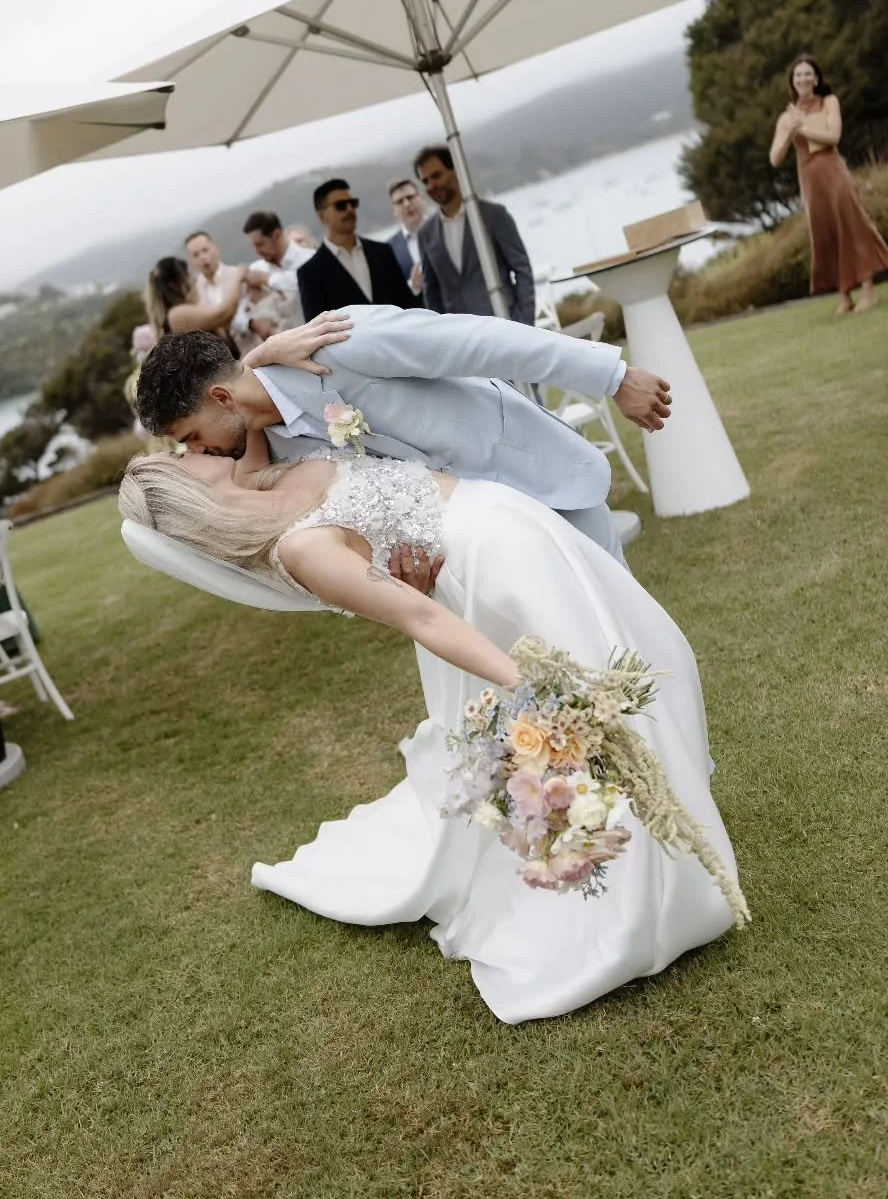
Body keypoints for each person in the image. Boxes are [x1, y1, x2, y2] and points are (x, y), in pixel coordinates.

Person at [117, 416, 739, 1024]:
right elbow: (420, 619)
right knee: (594, 717)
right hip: (498, 578)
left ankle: (676, 834)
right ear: (186, 492)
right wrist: (522, 683)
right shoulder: (299, 547)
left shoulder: (263, 476)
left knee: (655, 653)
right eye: (177, 458)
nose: (186, 448)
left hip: (518, 530)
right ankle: (637, 900)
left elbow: (237, 401)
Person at [135, 308, 671, 568]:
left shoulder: (336, 344)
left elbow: (481, 342)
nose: (198, 453)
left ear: (222, 401)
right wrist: (255, 357)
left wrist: (612, 377)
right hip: (482, 555)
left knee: (630, 647)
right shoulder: (270, 458)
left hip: (539, 483)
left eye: (190, 436)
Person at [769, 54, 888, 315]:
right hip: (810, 181)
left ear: (816, 78)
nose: (803, 78)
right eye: (798, 75)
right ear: (792, 81)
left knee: (852, 225)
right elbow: (775, 158)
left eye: (807, 73)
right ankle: (844, 296)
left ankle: (868, 291)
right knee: (824, 233)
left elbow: (833, 136)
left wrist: (803, 128)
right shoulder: (786, 117)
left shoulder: (828, 102)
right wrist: (791, 132)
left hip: (834, 172)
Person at [414, 146, 536, 325]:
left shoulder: (494, 216)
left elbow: (522, 270)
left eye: (436, 176)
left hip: (505, 324)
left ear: (455, 170)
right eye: (425, 181)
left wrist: (524, 323)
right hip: (460, 337)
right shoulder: (425, 234)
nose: (431, 185)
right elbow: (432, 292)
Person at [296, 180, 421, 320]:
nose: (350, 209)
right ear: (322, 215)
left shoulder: (383, 252)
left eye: (353, 203)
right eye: (341, 205)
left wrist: (417, 289)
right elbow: (318, 332)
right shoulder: (310, 273)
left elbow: (407, 306)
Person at [237, 210, 312, 347]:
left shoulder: (309, 259)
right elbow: (236, 314)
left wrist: (267, 279)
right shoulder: (257, 270)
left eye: (259, 244)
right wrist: (252, 323)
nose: (256, 252)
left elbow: (303, 281)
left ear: (276, 235)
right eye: (253, 246)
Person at [144, 255, 245, 354]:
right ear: (175, 285)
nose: (193, 281)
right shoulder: (176, 314)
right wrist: (238, 277)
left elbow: (225, 320)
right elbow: (223, 314)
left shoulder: (186, 310)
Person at [387, 178, 427, 296]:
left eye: (410, 197)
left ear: (422, 199)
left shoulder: (443, 229)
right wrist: (413, 286)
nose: (407, 204)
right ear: (394, 211)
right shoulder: (389, 249)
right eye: (400, 201)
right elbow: (391, 295)